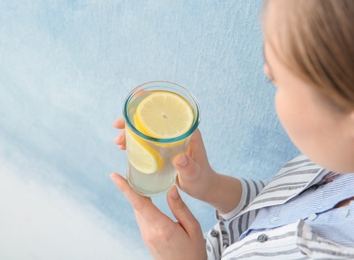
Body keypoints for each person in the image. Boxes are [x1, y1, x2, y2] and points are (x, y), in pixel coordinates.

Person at [111, 0, 354, 259]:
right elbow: (277, 211)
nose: (266, 70)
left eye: (278, 81)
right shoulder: (337, 159)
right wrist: (210, 186)